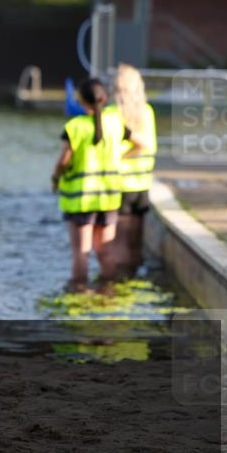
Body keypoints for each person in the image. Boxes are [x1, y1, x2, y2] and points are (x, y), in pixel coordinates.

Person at [51, 78, 150, 293]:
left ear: (80, 100)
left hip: (81, 200)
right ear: (104, 99)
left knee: (82, 252)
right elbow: (141, 144)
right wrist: (121, 157)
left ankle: (79, 292)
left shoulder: (75, 127)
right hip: (108, 198)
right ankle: (108, 292)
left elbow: (64, 160)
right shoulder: (115, 123)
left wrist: (55, 178)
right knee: (105, 251)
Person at [109, 64, 156, 276]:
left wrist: (120, 157)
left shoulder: (112, 114)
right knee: (136, 241)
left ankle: (120, 281)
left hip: (121, 185)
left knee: (120, 241)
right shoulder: (147, 112)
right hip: (142, 183)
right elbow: (150, 145)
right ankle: (134, 279)